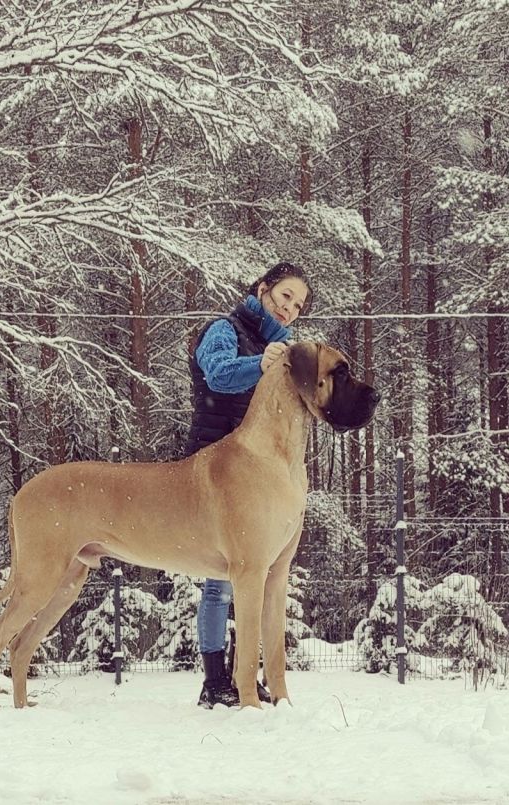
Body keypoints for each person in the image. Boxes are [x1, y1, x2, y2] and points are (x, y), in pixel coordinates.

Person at [185, 262, 311, 708]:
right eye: (285, 296)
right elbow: (218, 374)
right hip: (215, 464)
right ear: (263, 288)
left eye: (299, 305)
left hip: (256, 472)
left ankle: (247, 677)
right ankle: (216, 681)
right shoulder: (224, 329)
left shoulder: (279, 347)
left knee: (256, 578)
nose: (290, 309)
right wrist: (260, 363)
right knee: (221, 583)